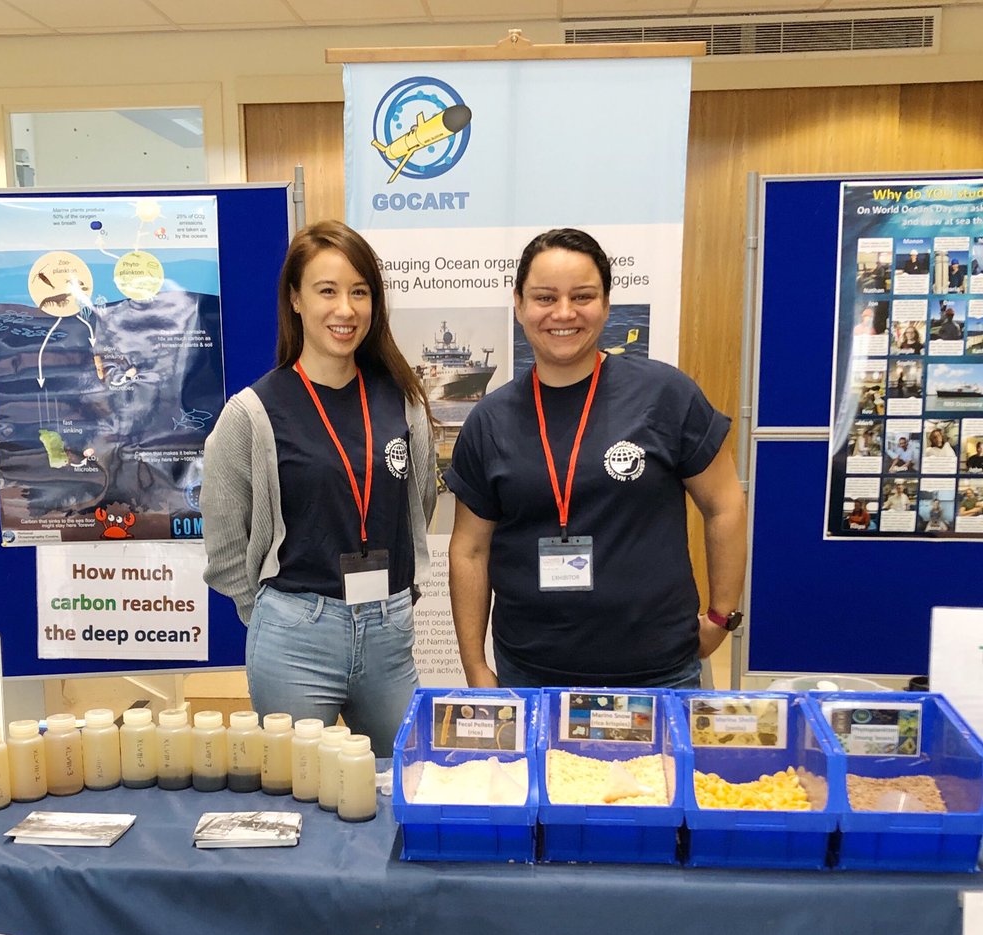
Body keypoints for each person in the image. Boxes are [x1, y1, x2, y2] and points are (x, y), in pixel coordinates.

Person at [445, 227, 746, 690]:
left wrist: (722, 615)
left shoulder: (665, 395)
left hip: (658, 672)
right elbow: (469, 548)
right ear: (519, 304)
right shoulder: (490, 420)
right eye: (545, 297)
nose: (564, 313)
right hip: (531, 674)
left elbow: (724, 503)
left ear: (605, 304)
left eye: (582, 296)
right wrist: (475, 667)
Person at [201, 220, 436, 753]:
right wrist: (267, 613)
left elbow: (417, 508)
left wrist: (396, 599)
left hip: (388, 631)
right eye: (327, 291)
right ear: (296, 300)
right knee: (297, 800)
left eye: (359, 291)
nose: (345, 309)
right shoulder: (254, 412)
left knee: (406, 779)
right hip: (297, 635)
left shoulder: (401, 401)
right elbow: (225, 542)